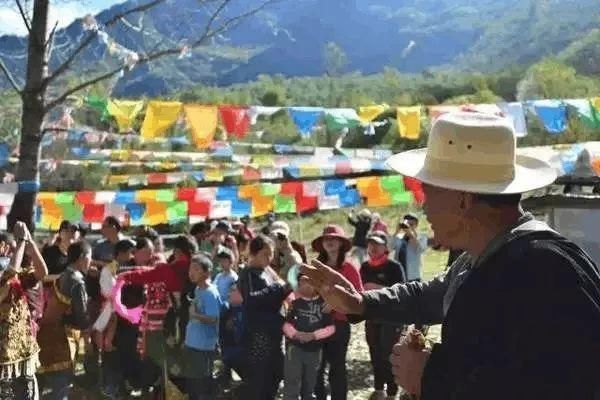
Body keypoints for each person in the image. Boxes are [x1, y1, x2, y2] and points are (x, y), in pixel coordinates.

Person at [301, 111, 600, 400]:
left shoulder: (544, 269)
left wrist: (432, 376)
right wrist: (359, 302)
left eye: (429, 193)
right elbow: (431, 296)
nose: (424, 207)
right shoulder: (487, 258)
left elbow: (564, 384)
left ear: (463, 199)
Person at [311, 225, 363, 400]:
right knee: (316, 368)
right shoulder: (318, 267)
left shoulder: (349, 268)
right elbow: (307, 292)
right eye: (326, 239)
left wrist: (336, 304)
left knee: (337, 368)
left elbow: (359, 296)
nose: (330, 241)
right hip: (317, 324)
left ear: (341, 243)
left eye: (334, 238)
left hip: (340, 325)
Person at [238, 234, 293, 400]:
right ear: (253, 254)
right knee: (261, 380)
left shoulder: (267, 272)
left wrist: (288, 288)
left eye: (271, 254)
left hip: (274, 333)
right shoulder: (248, 274)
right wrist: (278, 289)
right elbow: (252, 299)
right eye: (265, 254)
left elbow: (275, 296)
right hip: (259, 337)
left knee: (276, 375)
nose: (269, 258)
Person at [38, 240, 92, 400]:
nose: (90, 261)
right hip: (64, 338)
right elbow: (82, 316)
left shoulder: (64, 275)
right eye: (89, 257)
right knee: (61, 385)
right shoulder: (77, 282)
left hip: (47, 332)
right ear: (82, 257)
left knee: (45, 383)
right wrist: (90, 333)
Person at [0, 222, 47, 400]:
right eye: (11, 250)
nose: (14, 255)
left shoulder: (19, 276)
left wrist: (30, 243)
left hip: (24, 354)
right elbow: (10, 273)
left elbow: (43, 272)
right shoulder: (8, 275)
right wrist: (20, 242)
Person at [360, 231, 406, 400]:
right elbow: (361, 288)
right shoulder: (364, 267)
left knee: (389, 354)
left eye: (377, 244)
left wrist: (377, 287)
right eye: (370, 244)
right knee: (374, 353)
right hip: (371, 317)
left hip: (391, 317)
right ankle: (379, 389)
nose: (372, 247)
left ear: (385, 247)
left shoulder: (394, 266)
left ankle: (392, 392)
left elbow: (402, 290)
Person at [283, 273, 335, 400]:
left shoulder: (324, 303)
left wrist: (313, 335)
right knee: (292, 383)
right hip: (294, 349)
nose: (306, 284)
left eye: (309, 281)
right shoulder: (293, 301)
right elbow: (285, 324)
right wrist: (296, 334)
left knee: (310, 385)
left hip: (315, 350)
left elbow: (331, 328)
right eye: (302, 281)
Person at [184, 254, 222, 400]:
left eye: (196, 269)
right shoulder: (198, 290)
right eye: (190, 269)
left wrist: (195, 316)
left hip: (203, 346)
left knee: (202, 385)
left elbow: (214, 319)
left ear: (207, 273)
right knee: (193, 383)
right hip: (193, 343)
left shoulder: (210, 293)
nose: (191, 272)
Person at [391, 214, 428, 282]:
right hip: (398, 275)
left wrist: (411, 235)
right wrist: (396, 231)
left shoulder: (421, 237)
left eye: (411, 224)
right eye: (407, 224)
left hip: (413, 276)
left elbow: (421, 249)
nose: (409, 226)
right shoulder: (399, 237)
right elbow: (389, 248)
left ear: (416, 225)